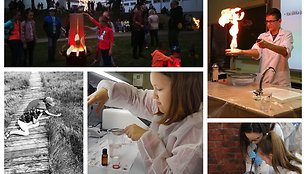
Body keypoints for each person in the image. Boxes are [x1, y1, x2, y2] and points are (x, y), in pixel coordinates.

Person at [88, 72, 203, 173]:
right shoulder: (167, 105)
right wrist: (107, 92)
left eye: (158, 89)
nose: (153, 96)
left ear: (181, 90)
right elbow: (135, 98)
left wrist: (145, 137)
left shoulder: (195, 138)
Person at [226, 8, 293, 87]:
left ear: (279, 21)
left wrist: (267, 45)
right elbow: (256, 52)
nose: (268, 24)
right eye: (267, 21)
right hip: (265, 79)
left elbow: (285, 51)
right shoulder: (263, 36)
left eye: (271, 21)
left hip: (280, 80)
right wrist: (241, 52)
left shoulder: (286, 34)